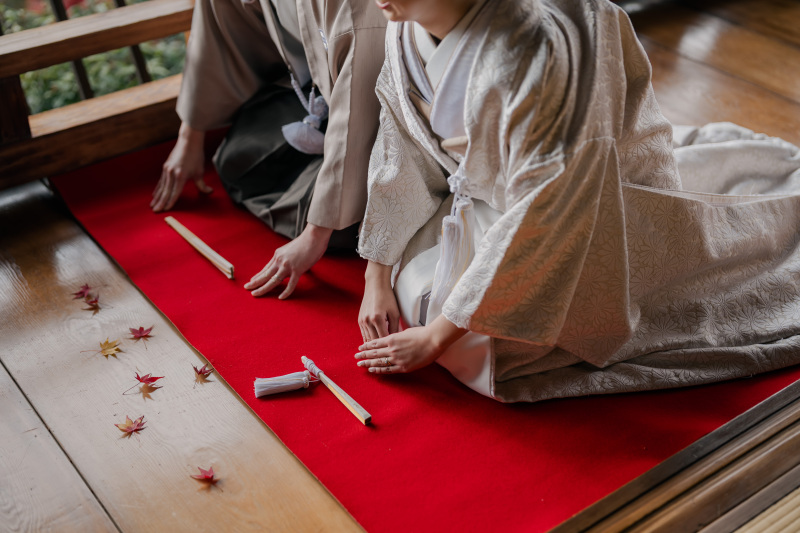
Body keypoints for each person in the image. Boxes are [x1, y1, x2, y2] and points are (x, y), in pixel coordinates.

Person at [355, 0, 800, 402]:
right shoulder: (406, 31)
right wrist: (377, 274)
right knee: (413, 288)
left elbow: (546, 209)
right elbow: (402, 149)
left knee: (468, 343)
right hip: (493, 195)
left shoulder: (546, 47)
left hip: (583, 207)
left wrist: (436, 337)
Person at [151, 0, 386, 299]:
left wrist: (315, 234)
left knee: (338, 225)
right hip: (313, 95)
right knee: (236, 159)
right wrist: (190, 135)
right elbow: (218, 20)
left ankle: (340, 212)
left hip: (375, 119)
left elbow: (359, 103)